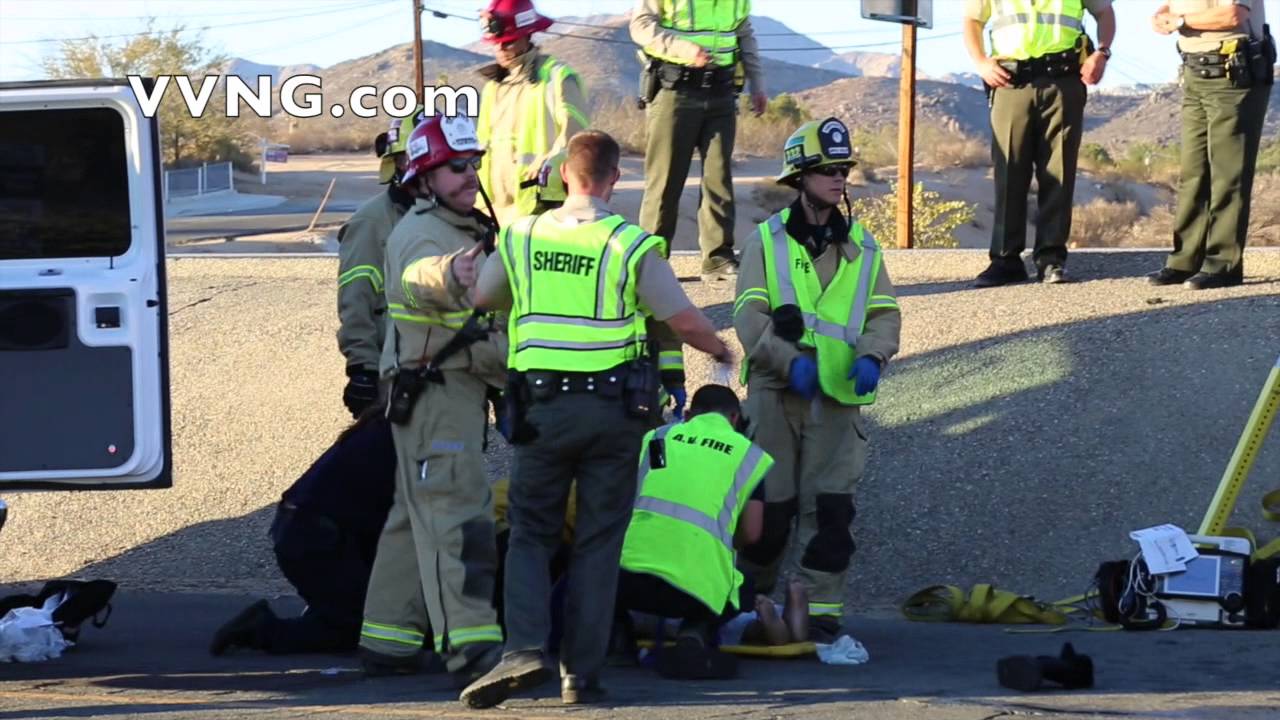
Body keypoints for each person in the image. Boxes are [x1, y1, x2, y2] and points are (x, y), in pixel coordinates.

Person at [460, 130, 736, 708]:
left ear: (565, 175)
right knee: (598, 542)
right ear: (615, 178)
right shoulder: (630, 243)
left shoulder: (522, 234)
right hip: (613, 414)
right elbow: (681, 318)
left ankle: (524, 649)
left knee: (532, 534)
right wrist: (719, 350)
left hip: (541, 410)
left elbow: (485, 298)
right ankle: (579, 676)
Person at [733, 117, 901, 643]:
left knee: (829, 510)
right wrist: (788, 362)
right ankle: (746, 602)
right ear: (799, 178)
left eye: (844, 169)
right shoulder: (766, 242)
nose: (838, 178)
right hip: (776, 395)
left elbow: (884, 314)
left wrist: (873, 355)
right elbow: (747, 315)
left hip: (836, 400)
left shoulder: (865, 249)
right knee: (769, 511)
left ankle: (819, 610)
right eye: (827, 170)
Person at [356, 113, 508, 687]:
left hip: (444, 393)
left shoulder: (466, 228)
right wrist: (453, 274)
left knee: (413, 514)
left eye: (473, 164)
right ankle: (471, 649)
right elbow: (421, 276)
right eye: (455, 168)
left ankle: (388, 638)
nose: (470, 175)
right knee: (456, 515)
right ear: (423, 179)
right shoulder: (428, 234)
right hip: (438, 393)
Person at [209, 407, 399, 658]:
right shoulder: (403, 434)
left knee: (365, 615)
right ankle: (261, 630)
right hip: (316, 539)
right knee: (358, 631)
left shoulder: (385, 423)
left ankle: (328, 608)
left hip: (307, 531)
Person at [614, 384, 773, 679]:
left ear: (688, 414)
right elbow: (752, 533)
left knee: (596, 567)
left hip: (629, 581)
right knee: (744, 586)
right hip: (695, 591)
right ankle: (694, 630)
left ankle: (618, 637)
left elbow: (649, 485)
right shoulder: (745, 456)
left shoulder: (659, 440)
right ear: (735, 418)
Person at [965, 0, 1116, 287]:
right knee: (1009, 173)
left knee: (1058, 172)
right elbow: (972, 20)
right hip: (1010, 82)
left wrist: (1102, 53)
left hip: (1063, 79)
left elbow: (1104, 12)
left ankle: (1051, 259)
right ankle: (1005, 261)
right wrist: (981, 62)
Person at [630, 0, 768, 281]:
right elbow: (641, 26)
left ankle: (717, 257)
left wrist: (758, 84)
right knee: (665, 179)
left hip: (722, 91)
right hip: (675, 90)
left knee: (719, 177)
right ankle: (652, 260)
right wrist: (685, 49)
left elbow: (743, 33)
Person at [1147, 1, 1274, 290]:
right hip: (1194, 72)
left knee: (1228, 174)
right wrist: (1161, 16)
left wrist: (1179, 22)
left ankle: (1222, 264)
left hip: (1232, 74)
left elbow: (1232, 14)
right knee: (1193, 173)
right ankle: (1185, 260)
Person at [336, 109, 425, 417]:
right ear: (398, 161)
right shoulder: (372, 222)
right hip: (395, 372)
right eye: (416, 155)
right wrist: (362, 368)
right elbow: (355, 298)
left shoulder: (460, 221)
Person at [475, 0, 589, 227]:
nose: (501, 49)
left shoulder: (557, 78)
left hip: (543, 208)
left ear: (528, 36)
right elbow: (482, 147)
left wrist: (551, 160)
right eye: (496, 43)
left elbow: (577, 139)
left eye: (508, 42)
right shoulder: (492, 89)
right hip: (495, 212)